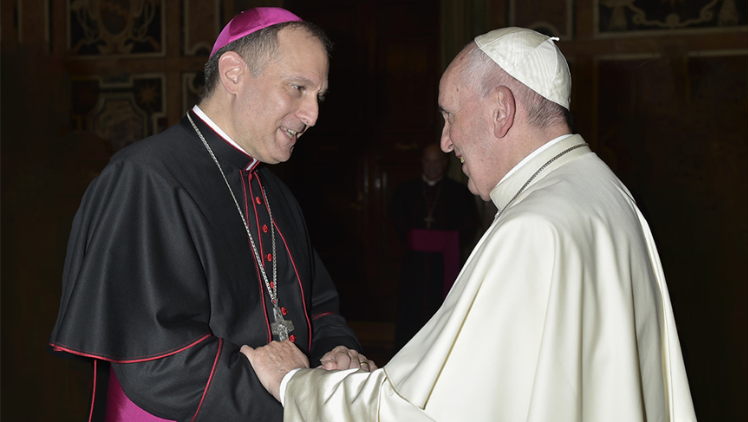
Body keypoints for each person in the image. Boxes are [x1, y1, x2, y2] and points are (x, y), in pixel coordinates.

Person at [244, 27, 697, 422]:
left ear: (500, 110)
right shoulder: (605, 192)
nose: (444, 142)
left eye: (449, 116)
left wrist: (294, 382)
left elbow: (423, 413)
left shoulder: (533, 228)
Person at [48, 7, 374, 422]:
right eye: (297, 88)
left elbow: (318, 306)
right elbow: (159, 366)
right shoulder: (145, 177)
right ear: (234, 73)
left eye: (318, 97)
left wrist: (336, 354)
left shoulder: (276, 193)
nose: (313, 116)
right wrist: (295, 395)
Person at [388, 143, 477, 351]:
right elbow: (397, 226)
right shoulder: (406, 191)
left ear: (445, 163)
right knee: (411, 312)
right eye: (428, 161)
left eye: (437, 161)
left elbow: (468, 227)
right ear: (422, 163)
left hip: (445, 267)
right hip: (414, 267)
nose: (432, 166)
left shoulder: (458, 192)